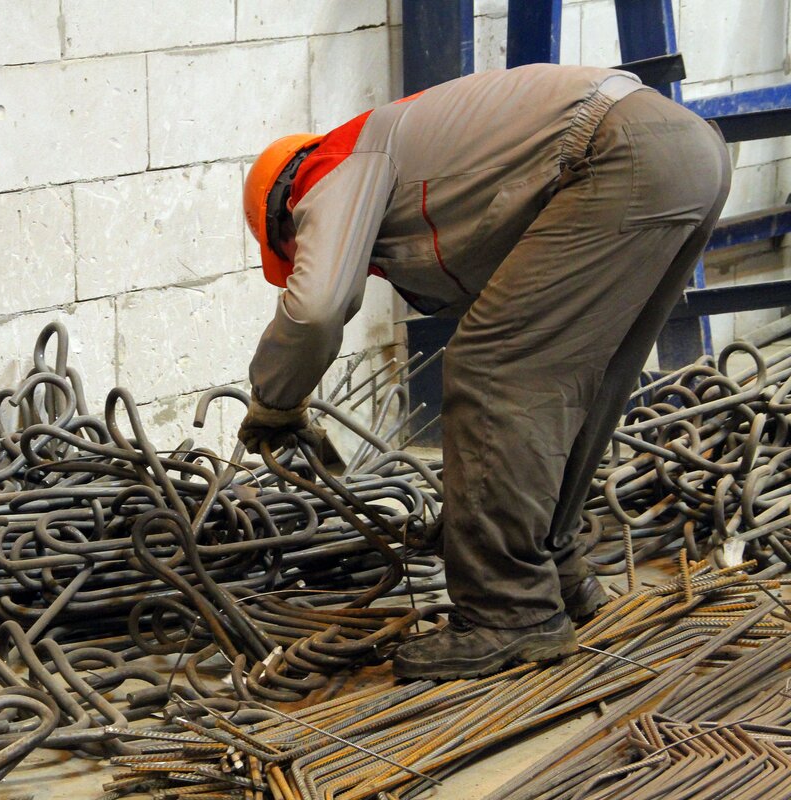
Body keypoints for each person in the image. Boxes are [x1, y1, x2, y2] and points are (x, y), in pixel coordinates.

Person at [237, 63, 731, 680]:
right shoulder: (431, 159)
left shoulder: (330, 167)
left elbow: (314, 311)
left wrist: (275, 403)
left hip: (620, 153)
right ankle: (556, 568)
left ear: (285, 214)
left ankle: (510, 610)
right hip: (685, 150)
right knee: (577, 376)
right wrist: (479, 505)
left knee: (489, 367)